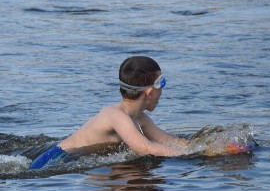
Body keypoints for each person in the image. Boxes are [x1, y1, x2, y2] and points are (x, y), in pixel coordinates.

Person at [30, 56, 189, 169]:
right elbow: (145, 149)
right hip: (54, 160)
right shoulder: (116, 115)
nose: (162, 92)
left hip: (71, 158)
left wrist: (205, 147)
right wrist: (188, 155)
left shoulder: (140, 118)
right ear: (149, 93)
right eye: (161, 84)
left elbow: (170, 141)